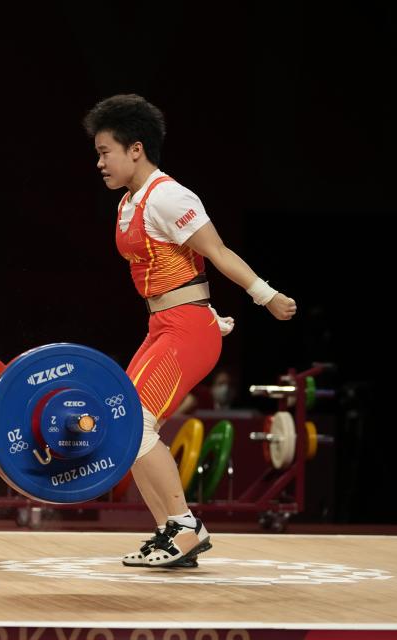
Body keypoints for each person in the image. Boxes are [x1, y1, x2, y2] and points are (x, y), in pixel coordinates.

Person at [84, 94, 296, 567]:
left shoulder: (169, 196)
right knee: (126, 427)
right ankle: (169, 531)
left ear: (135, 149)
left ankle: (185, 527)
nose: (99, 162)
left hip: (187, 329)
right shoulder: (127, 204)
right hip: (163, 325)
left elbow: (217, 253)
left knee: (134, 425)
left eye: (105, 151)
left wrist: (268, 296)